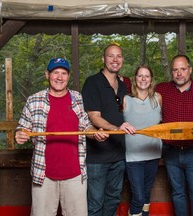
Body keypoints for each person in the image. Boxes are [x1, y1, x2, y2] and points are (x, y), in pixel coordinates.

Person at [15, 57, 109, 216]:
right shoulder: (34, 100)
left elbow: (86, 126)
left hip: (75, 175)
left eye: (64, 73)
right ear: (47, 75)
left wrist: (95, 133)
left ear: (68, 76)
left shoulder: (77, 98)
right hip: (43, 175)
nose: (60, 77)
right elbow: (22, 128)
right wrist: (20, 134)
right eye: (55, 72)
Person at [82, 44, 135, 216]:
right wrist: (116, 129)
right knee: (95, 202)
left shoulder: (123, 85)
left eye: (118, 56)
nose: (115, 59)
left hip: (119, 155)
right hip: (98, 157)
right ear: (103, 59)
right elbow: (94, 116)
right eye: (111, 56)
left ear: (122, 60)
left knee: (113, 198)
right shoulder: (92, 82)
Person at [156, 54, 193, 216]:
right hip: (170, 151)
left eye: (183, 69)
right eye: (175, 70)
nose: (179, 73)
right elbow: (142, 100)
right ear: (171, 72)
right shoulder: (161, 90)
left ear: (190, 70)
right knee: (178, 194)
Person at [122, 65, 162, 216]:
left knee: (145, 194)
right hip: (133, 156)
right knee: (137, 196)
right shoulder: (126, 100)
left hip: (153, 153)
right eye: (140, 76)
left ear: (151, 79)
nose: (143, 79)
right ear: (134, 79)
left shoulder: (158, 98)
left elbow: (161, 122)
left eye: (147, 76)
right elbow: (118, 123)